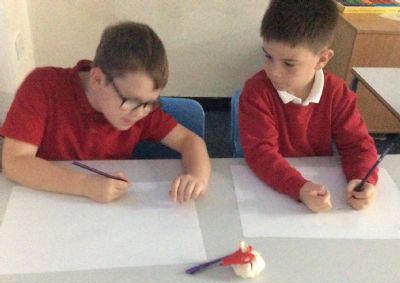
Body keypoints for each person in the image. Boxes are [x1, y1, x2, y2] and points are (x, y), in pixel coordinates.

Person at [0, 21, 210, 203]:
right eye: (131, 101)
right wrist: (84, 185)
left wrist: (196, 177)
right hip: (44, 201)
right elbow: (14, 162)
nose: (140, 113)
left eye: (150, 103)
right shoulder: (41, 87)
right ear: (97, 78)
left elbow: (190, 141)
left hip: (107, 210)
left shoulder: (142, 109)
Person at [239, 0, 378, 213]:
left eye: (288, 63)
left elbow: (358, 145)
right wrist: (299, 187)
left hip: (319, 185)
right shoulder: (256, 91)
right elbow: (260, 153)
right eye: (268, 56)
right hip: (269, 191)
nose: (273, 71)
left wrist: (362, 179)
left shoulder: (337, 92)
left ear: (322, 59)